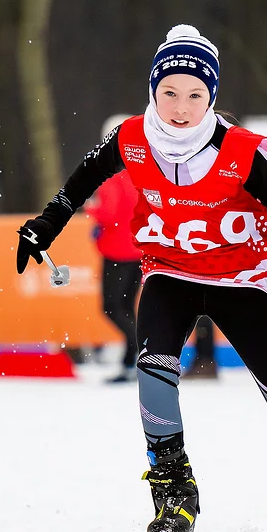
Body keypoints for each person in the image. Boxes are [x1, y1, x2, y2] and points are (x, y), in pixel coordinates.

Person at [16, 24, 267, 532]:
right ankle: (173, 502)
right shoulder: (131, 139)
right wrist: (45, 225)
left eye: (195, 95)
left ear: (212, 98)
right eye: (169, 94)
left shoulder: (242, 150)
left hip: (236, 280)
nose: (180, 108)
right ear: (152, 92)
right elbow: (79, 185)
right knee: (153, 374)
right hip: (168, 274)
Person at [86, 119, 143, 384]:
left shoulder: (111, 172)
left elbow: (108, 213)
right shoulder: (141, 169)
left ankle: (143, 352)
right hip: (138, 249)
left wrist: (90, 208)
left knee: (112, 307)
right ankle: (131, 363)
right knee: (127, 308)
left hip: (118, 251)